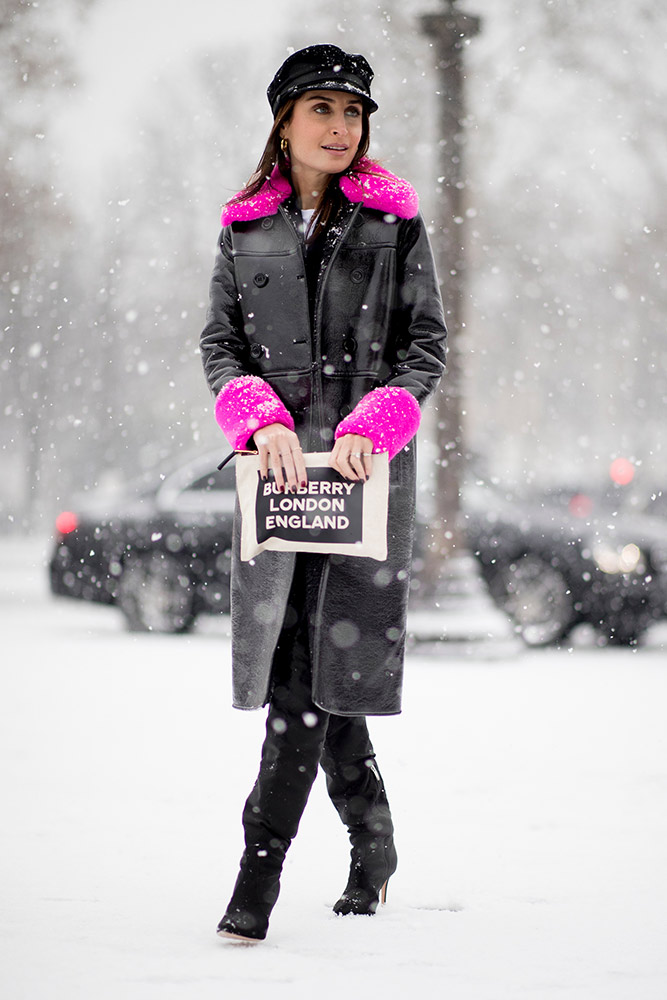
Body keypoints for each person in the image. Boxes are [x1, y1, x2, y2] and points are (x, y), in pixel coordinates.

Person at [200, 43, 447, 943]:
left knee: (314, 674)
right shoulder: (244, 229)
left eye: (353, 113)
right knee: (304, 674)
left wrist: (371, 425)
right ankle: (372, 844)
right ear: (284, 121)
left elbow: (426, 348)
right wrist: (257, 416)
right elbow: (219, 346)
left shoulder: (394, 224)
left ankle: (253, 882)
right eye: (323, 110)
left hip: (361, 487)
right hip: (277, 491)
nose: (340, 128)